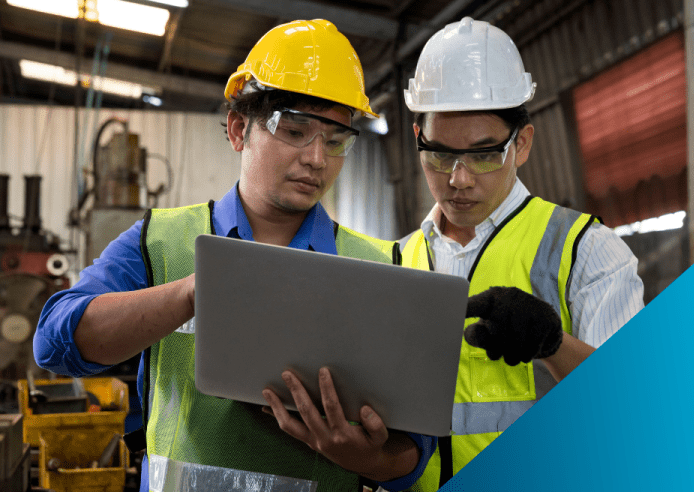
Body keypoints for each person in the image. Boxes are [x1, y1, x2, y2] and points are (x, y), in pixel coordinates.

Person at [35, 19, 434, 492]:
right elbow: (54, 344)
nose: (316, 159)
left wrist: (372, 458)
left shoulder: (377, 265)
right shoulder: (160, 241)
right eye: (296, 129)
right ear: (239, 128)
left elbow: (416, 447)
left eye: (335, 140)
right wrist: (189, 292)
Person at [398, 17, 645, 490]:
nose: (459, 179)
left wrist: (553, 346)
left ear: (523, 144)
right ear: (418, 140)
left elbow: (626, 417)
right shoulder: (400, 256)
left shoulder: (587, 252)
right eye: (439, 155)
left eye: (485, 154)